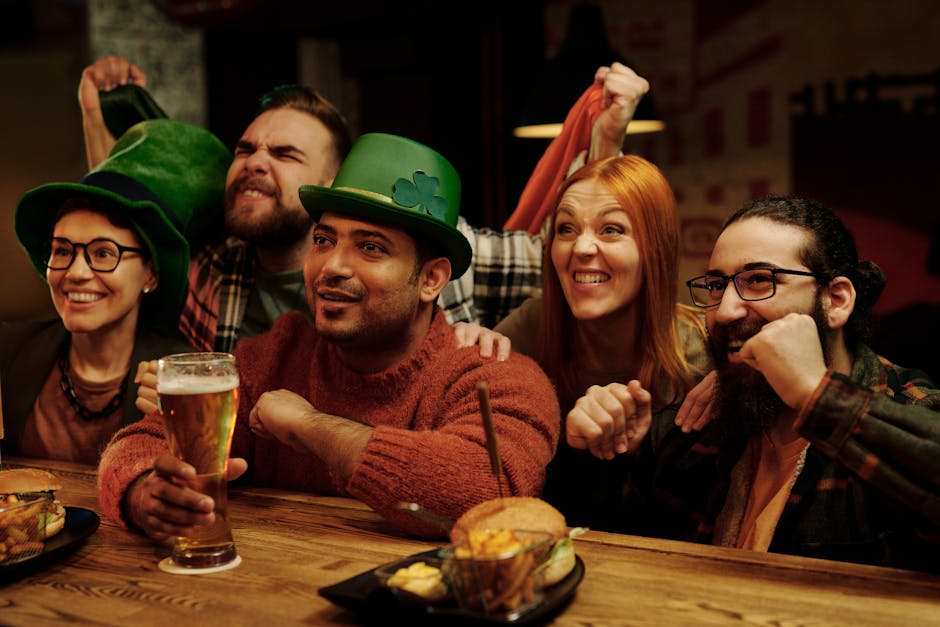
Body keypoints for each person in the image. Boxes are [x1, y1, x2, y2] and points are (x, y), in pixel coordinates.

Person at [96, 133, 561, 541]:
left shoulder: (499, 378)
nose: (332, 266)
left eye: (370, 247)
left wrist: (309, 425)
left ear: (432, 280)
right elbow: (142, 441)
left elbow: (486, 490)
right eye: (323, 240)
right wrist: (144, 492)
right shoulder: (272, 356)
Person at [78, 57, 646, 347]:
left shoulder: (436, 255)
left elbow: (567, 257)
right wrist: (96, 116)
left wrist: (608, 137)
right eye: (245, 148)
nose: (254, 161)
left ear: (335, 183)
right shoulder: (208, 269)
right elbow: (112, 235)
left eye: (284, 154)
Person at [571, 195, 940, 572]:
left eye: (760, 280)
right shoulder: (701, 422)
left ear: (836, 300)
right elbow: (603, 549)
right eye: (716, 285)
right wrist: (607, 449)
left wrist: (818, 394)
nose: (726, 310)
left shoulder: (907, 406)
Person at [487, 155, 712, 531]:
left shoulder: (702, 350)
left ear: (656, 246)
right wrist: (466, 344)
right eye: (566, 229)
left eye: (611, 229)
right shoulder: (532, 326)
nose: (582, 248)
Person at [0, 119, 230, 464]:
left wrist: (180, 431)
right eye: (62, 251)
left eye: (104, 253)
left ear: (150, 274)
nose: (76, 273)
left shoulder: (182, 380)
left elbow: (201, 481)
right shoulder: (9, 351)